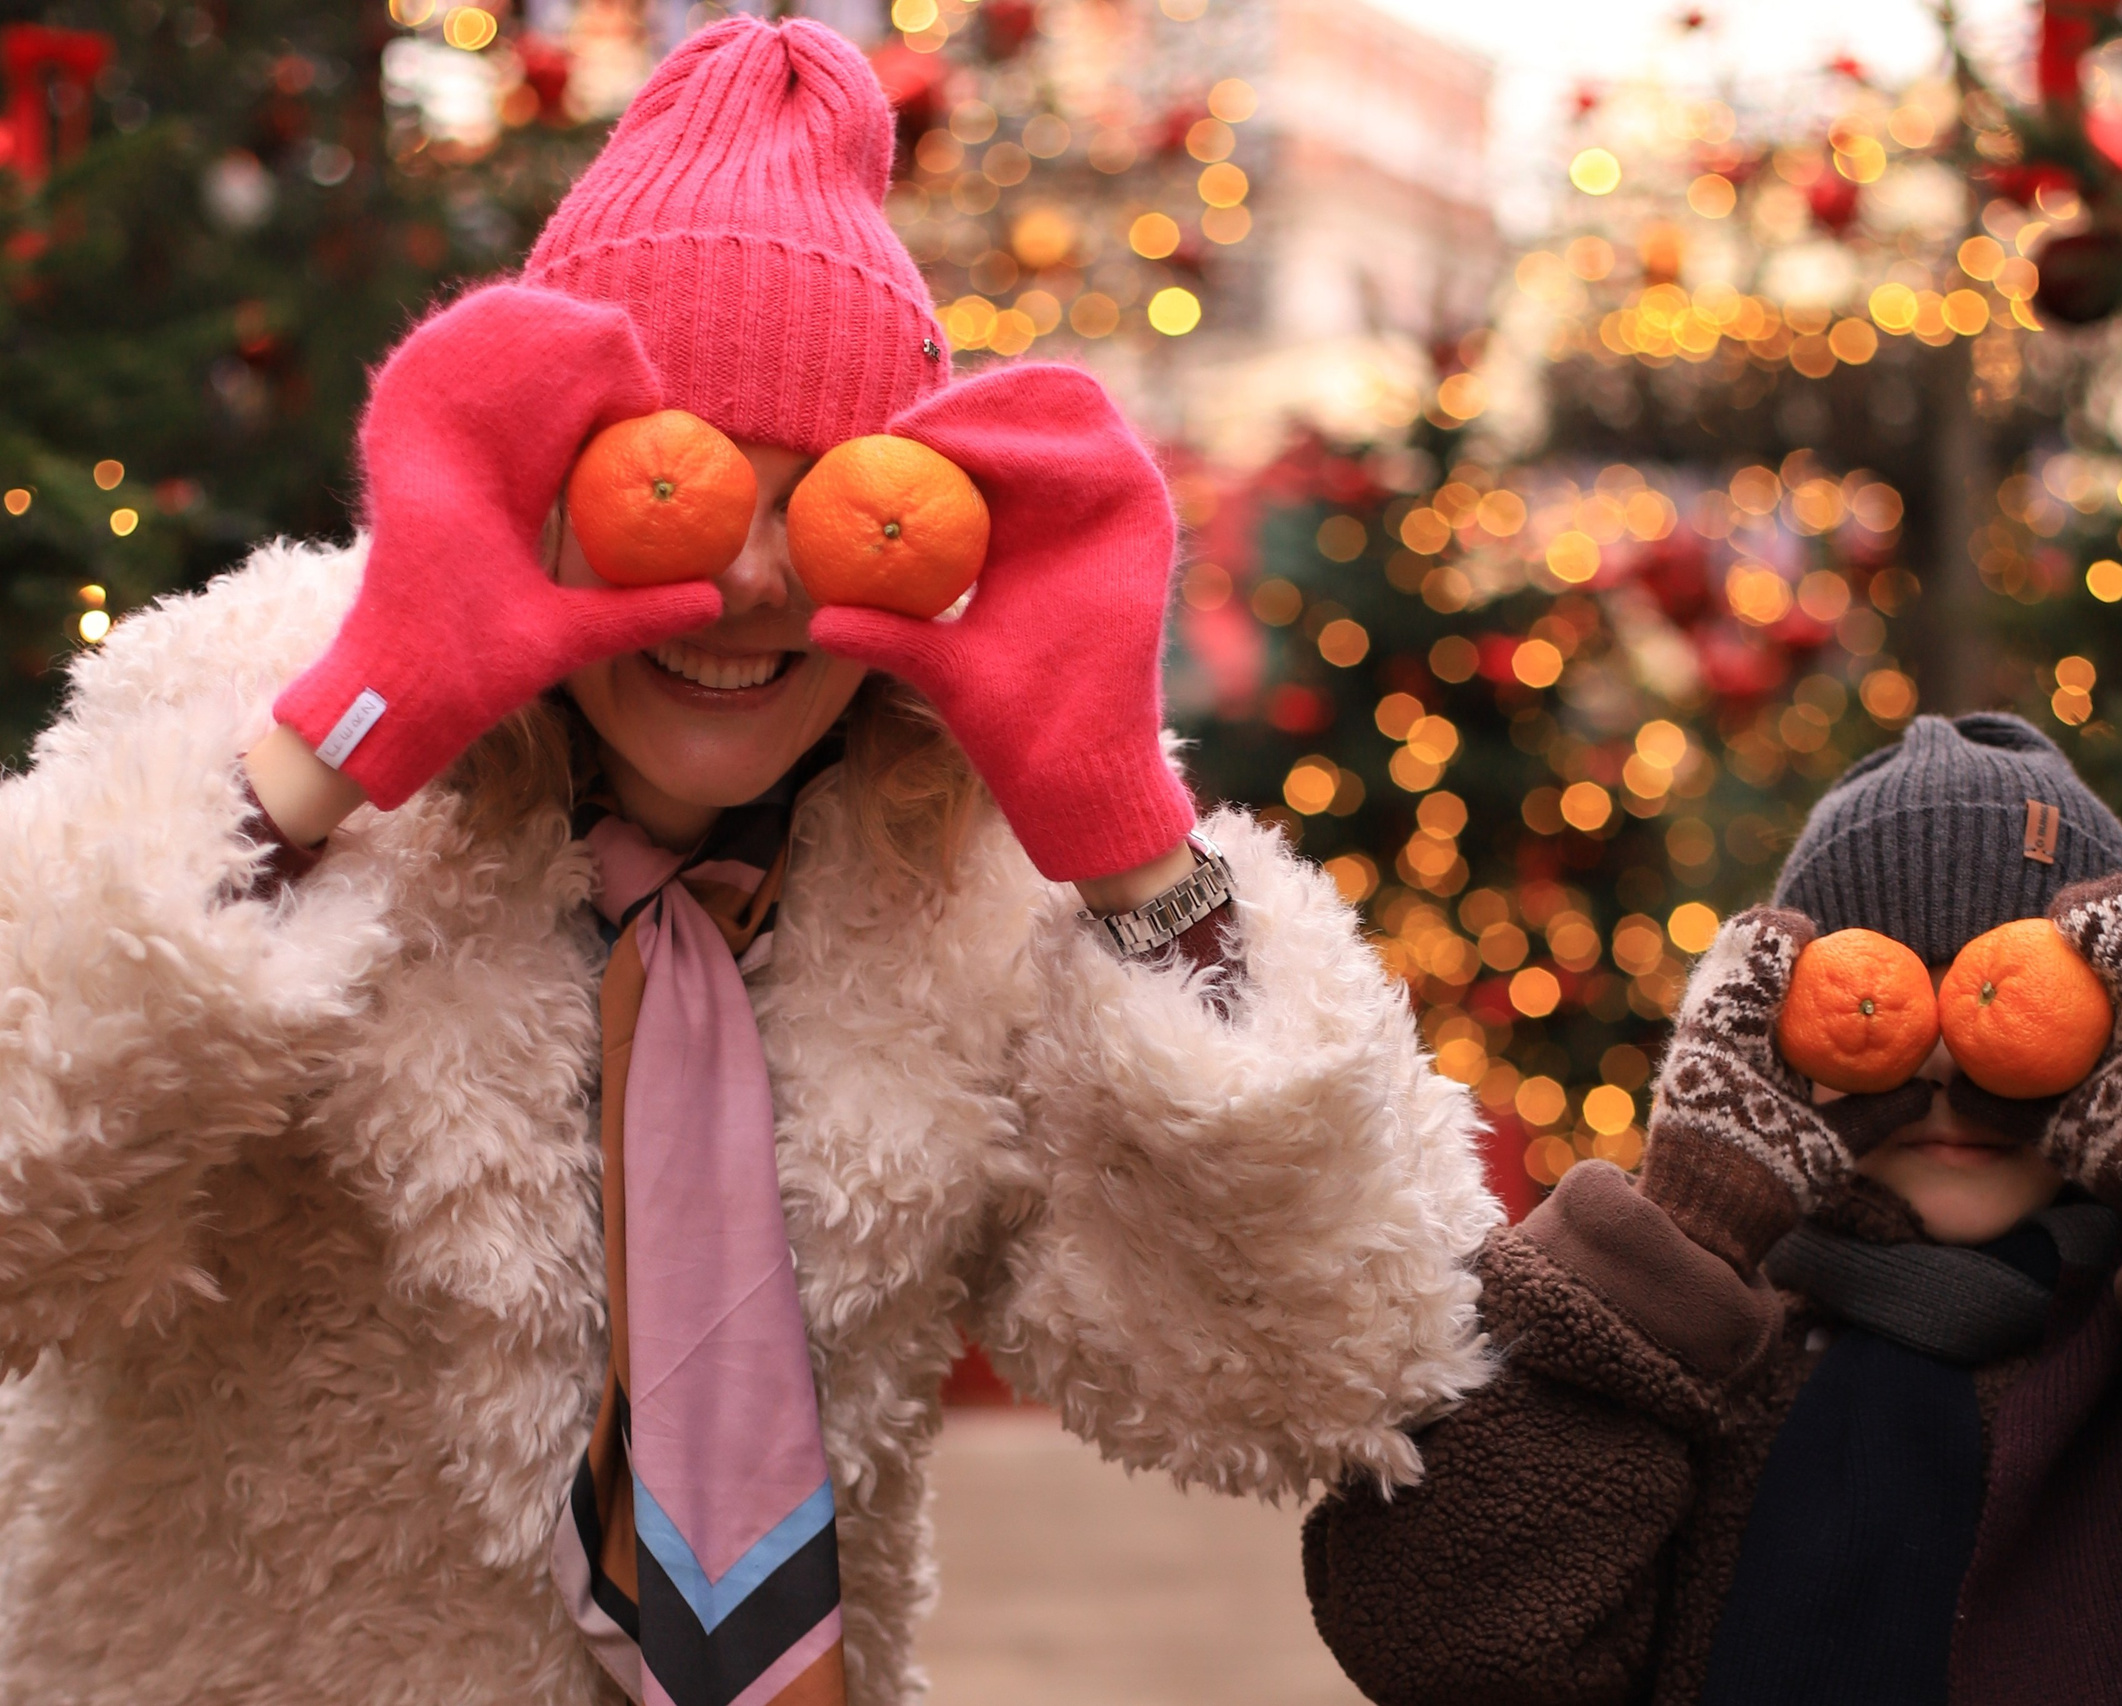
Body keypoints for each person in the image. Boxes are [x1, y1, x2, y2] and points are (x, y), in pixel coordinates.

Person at [0, 20, 1502, 1704]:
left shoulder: (959, 866)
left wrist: (1128, 841)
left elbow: (1327, 1369)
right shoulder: (252, 713)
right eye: (691, 494)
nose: (751, 585)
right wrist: (336, 748)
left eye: (831, 500)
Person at [1305, 712, 2122, 1706]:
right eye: (1896, 1002)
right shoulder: (1693, 1347)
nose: (1950, 1072)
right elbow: (1441, 1638)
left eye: (2006, 994)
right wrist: (1679, 1241)